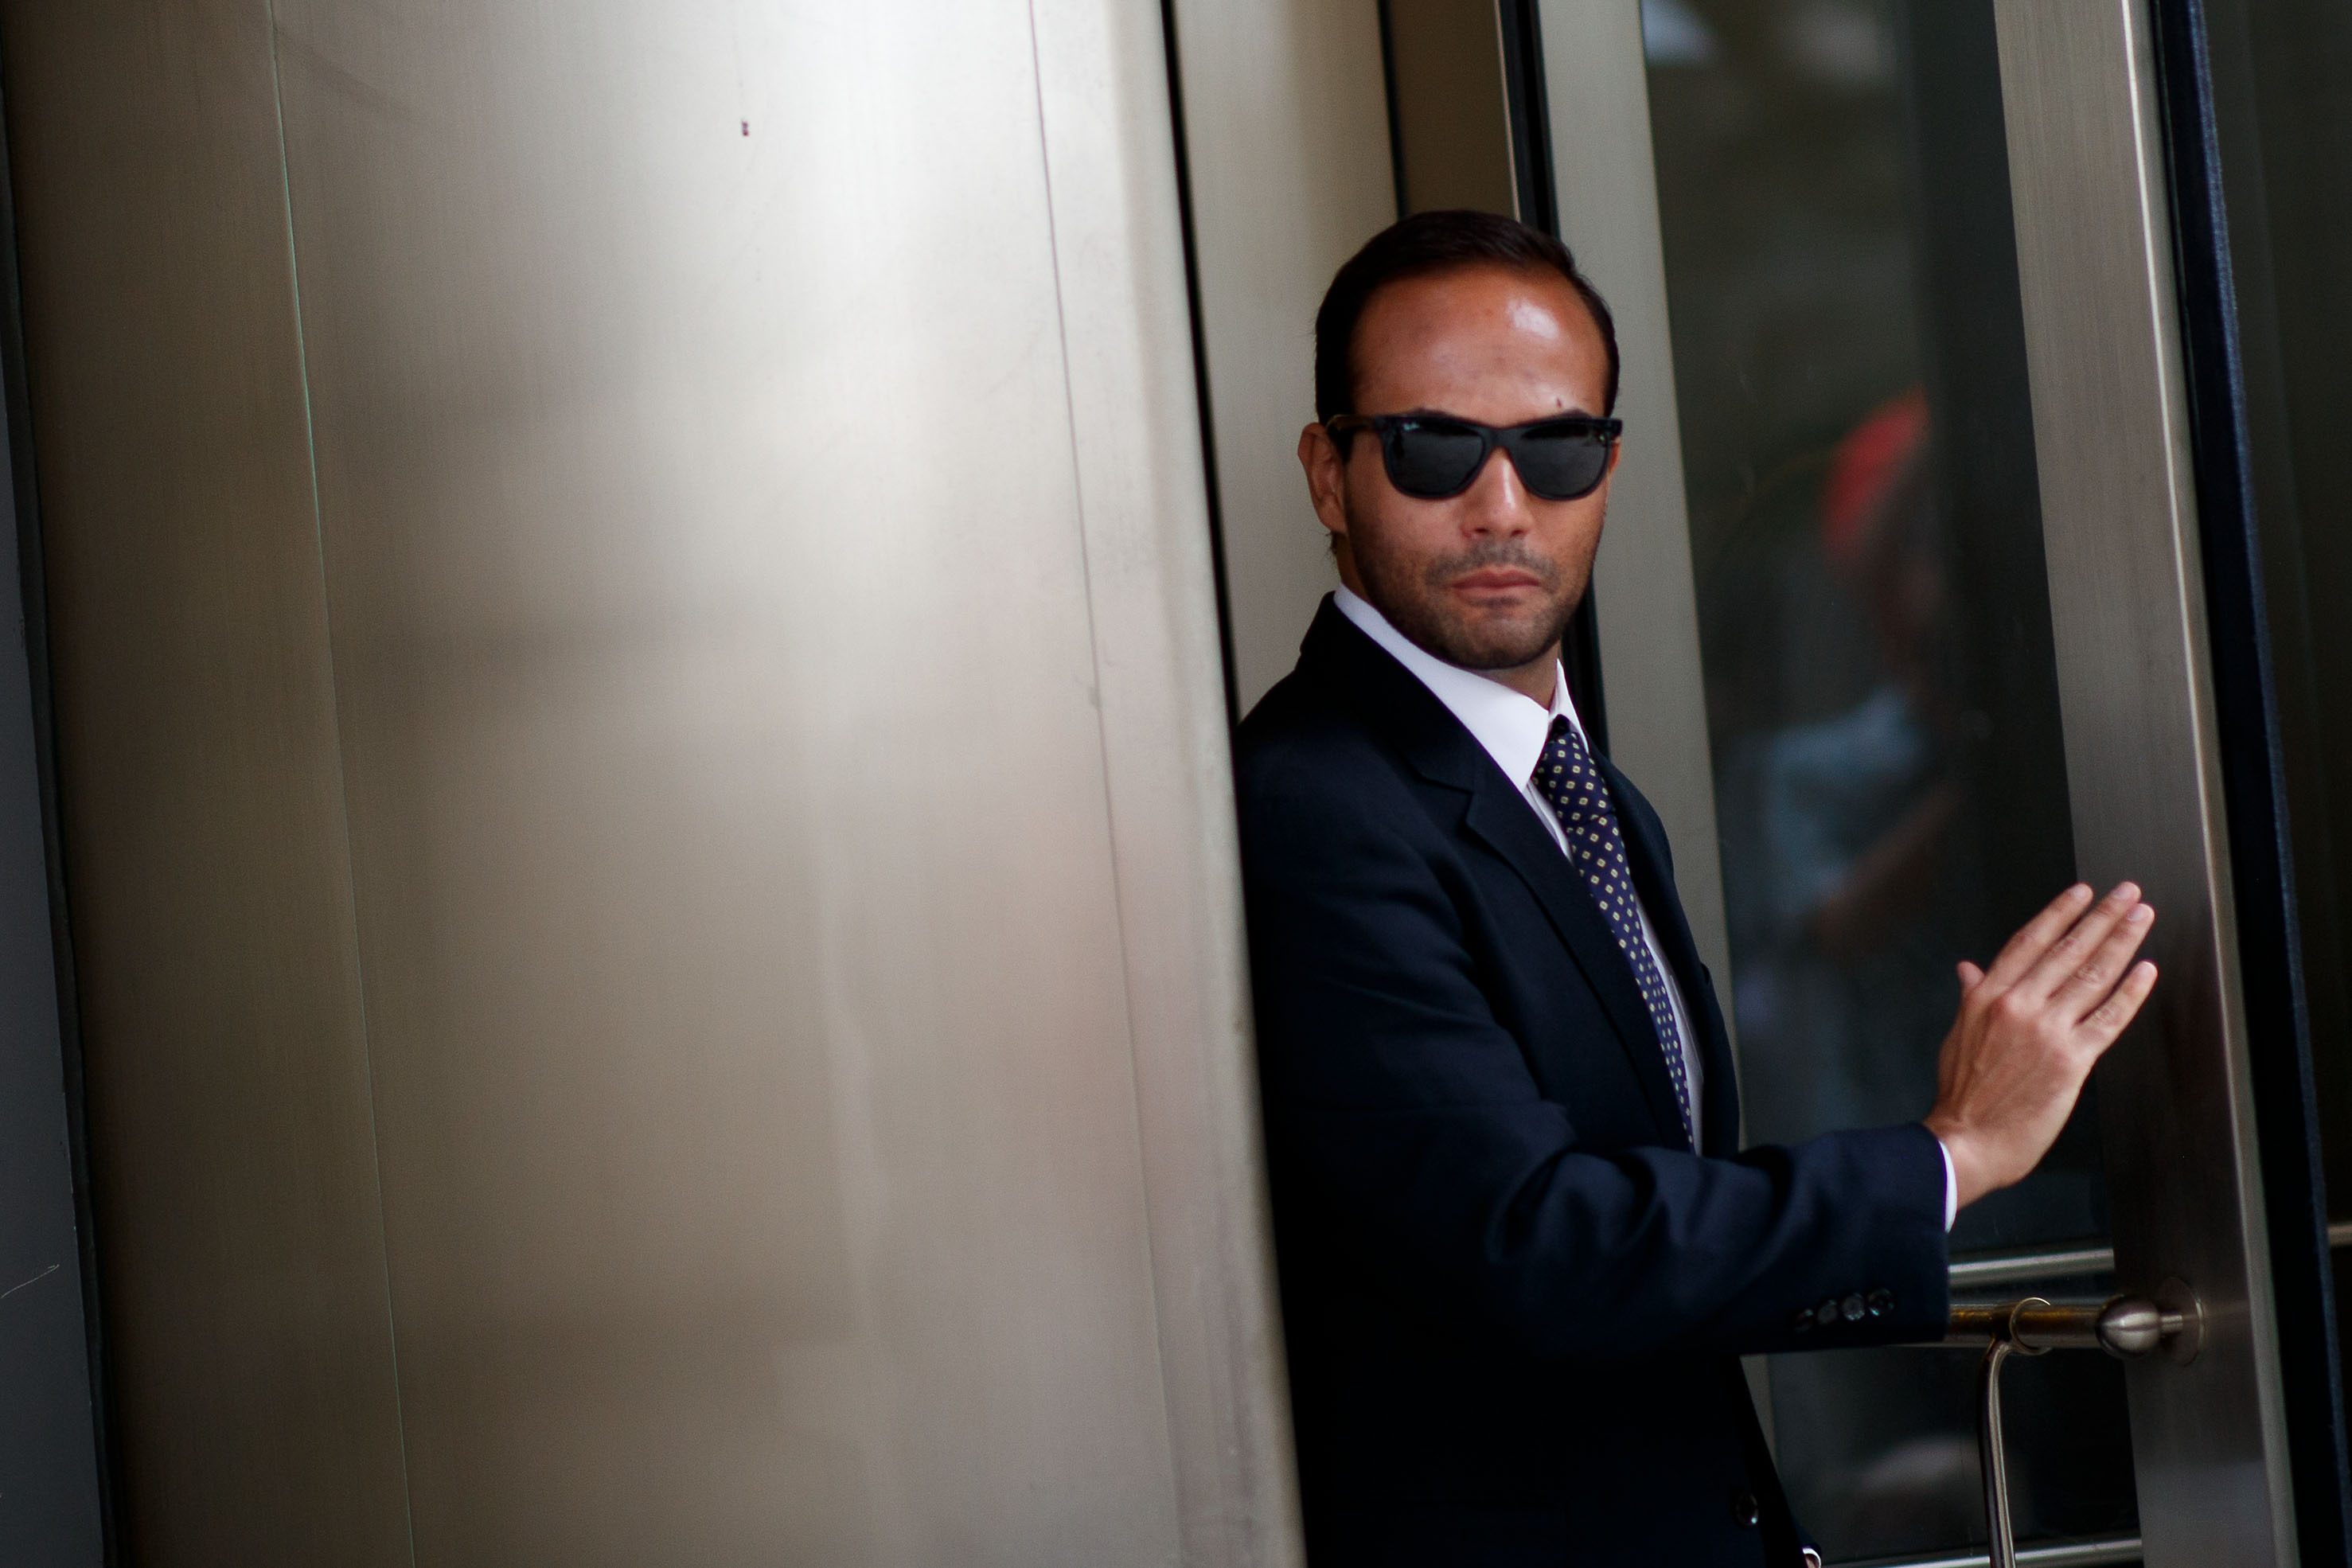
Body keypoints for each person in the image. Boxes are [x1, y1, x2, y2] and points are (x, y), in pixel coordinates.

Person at [1233, 210, 2159, 1567]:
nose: (1504, 506)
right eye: (1435, 447)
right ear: (1330, 473)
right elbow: (1537, 1245)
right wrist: (1951, 1155)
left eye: (1556, 448)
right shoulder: (1314, 803)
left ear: (1607, 469)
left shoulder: (1587, 794)